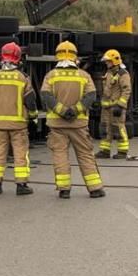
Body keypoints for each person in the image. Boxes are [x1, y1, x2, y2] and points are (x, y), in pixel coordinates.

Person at [40, 40, 105, 199]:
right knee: (85, 154)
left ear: (58, 56)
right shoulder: (84, 76)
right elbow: (91, 96)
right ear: (75, 57)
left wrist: (62, 111)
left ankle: (64, 189)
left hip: (57, 124)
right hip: (79, 125)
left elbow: (45, 96)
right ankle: (95, 188)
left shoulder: (51, 76)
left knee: (60, 155)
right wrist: (75, 111)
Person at [0, 42, 38, 196]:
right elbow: (31, 101)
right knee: (20, 154)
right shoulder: (22, 78)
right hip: (18, 124)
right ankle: (21, 185)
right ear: (18, 58)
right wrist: (33, 117)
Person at [96, 49, 132, 160]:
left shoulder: (123, 74)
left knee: (118, 128)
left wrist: (120, 106)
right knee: (105, 129)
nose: (106, 63)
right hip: (106, 107)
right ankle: (105, 151)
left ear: (114, 61)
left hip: (116, 107)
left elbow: (126, 90)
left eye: (108, 61)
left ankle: (122, 151)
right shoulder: (109, 73)